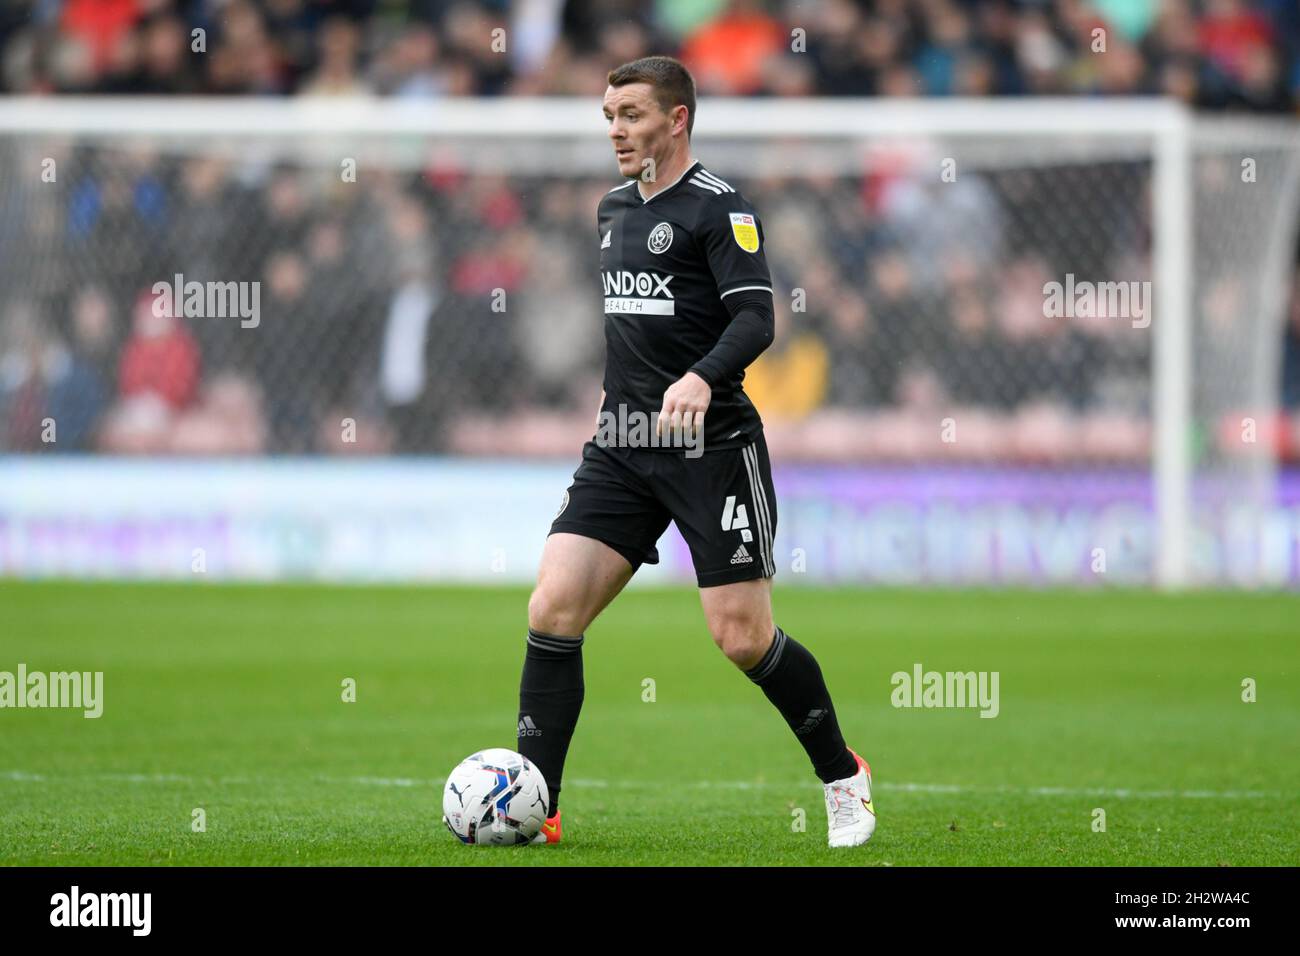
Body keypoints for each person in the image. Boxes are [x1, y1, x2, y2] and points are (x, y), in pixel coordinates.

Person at [517, 55, 874, 848]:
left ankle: (843, 776)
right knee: (554, 607)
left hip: (712, 448)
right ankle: (534, 805)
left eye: (632, 115)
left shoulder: (722, 209)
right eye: (609, 115)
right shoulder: (611, 208)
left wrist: (703, 378)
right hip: (623, 443)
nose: (616, 130)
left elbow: (757, 320)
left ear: (676, 120)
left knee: (742, 637)